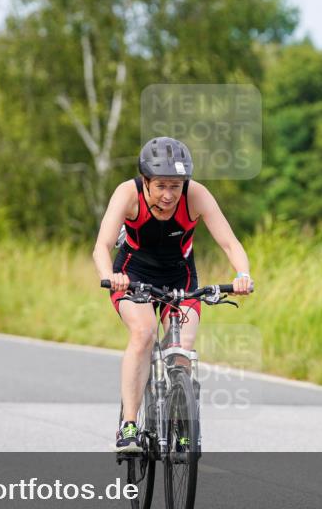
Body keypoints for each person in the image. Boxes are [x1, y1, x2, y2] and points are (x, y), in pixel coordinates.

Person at [92, 137, 253, 452]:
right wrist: (110, 277)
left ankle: (181, 425)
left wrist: (242, 275)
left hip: (181, 277)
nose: (168, 195)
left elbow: (230, 243)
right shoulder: (128, 194)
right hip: (132, 275)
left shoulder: (197, 195)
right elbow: (102, 245)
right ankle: (129, 424)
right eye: (161, 186)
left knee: (182, 348)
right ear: (147, 181)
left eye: (175, 186)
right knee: (144, 332)